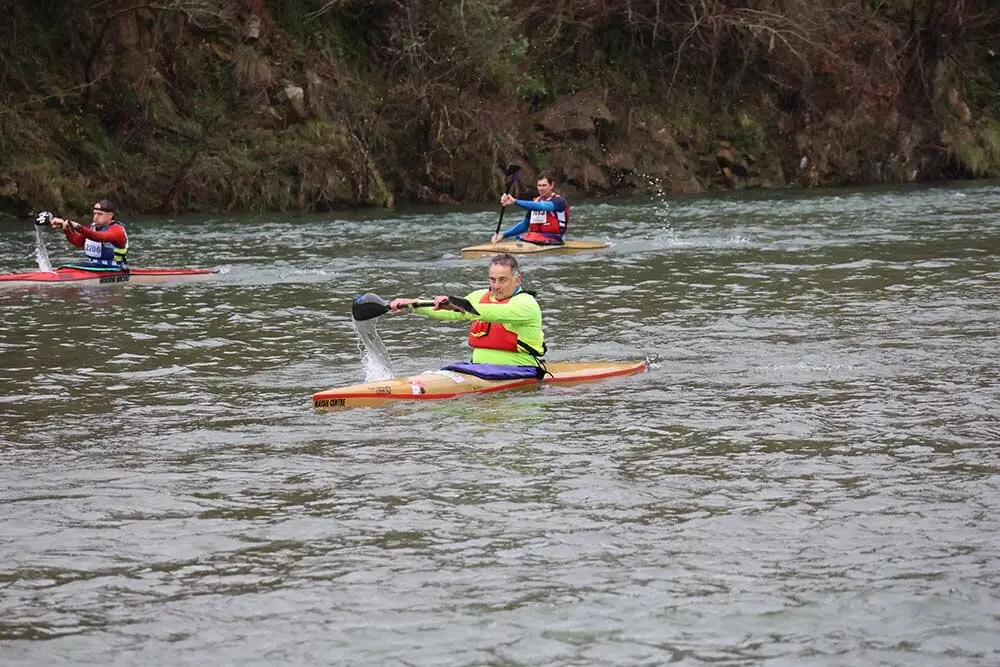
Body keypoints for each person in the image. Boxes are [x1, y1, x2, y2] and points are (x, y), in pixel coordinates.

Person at [388, 253, 546, 369]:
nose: (496, 286)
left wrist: (457, 304)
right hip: (478, 369)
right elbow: (448, 312)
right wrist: (412, 304)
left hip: (519, 371)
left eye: (502, 280)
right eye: (492, 280)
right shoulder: (479, 296)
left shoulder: (526, 304)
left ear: (517, 280)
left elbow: (492, 312)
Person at [491, 172, 569, 245]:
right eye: (539, 185)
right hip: (535, 239)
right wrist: (503, 235)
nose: (541, 188)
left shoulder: (559, 201)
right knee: (523, 237)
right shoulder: (535, 203)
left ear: (551, 185)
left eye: (544, 185)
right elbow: (524, 225)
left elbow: (542, 206)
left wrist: (515, 201)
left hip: (553, 239)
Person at [50, 199, 129, 268]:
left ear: (110, 215)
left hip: (114, 269)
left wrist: (78, 227)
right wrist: (66, 229)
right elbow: (78, 242)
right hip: (93, 267)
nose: (95, 217)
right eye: (95, 213)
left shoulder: (117, 230)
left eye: (100, 214)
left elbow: (99, 237)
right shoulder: (92, 227)